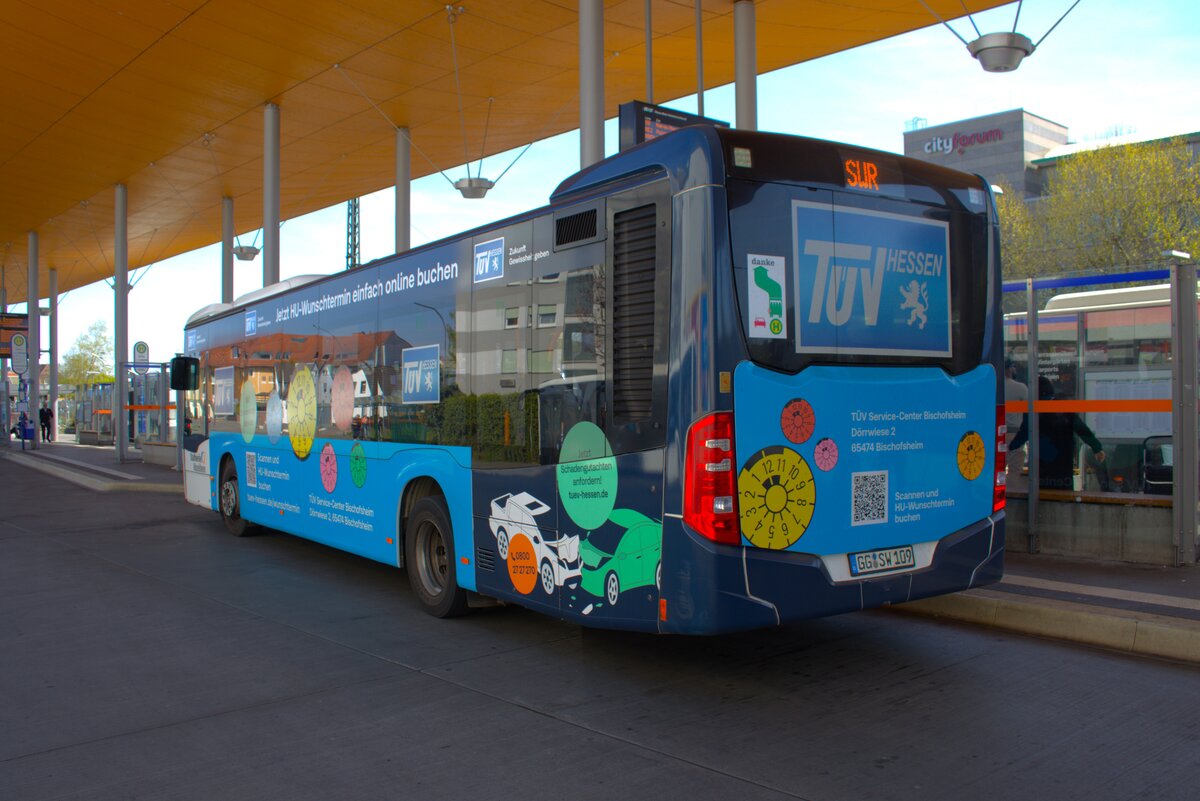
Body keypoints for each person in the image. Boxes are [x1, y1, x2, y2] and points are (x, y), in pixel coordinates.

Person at [1011, 376, 1106, 490]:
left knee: (1042, 495)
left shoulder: (1033, 411)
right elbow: (1082, 430)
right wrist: (1096, 447)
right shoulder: (1062, 408)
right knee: (1063, 495)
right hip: (1063, 466)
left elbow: (1022, 435)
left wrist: (1009, 447)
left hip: (1041, 466)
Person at [1003, 359, 1029, 490]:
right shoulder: (1020, 387)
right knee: (1014, 469)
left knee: (996, 467)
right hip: (1014, 433)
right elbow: (1031, 410)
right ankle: (1011, 497)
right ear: (1009, 369)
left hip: (994, 433)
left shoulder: (991, 385)